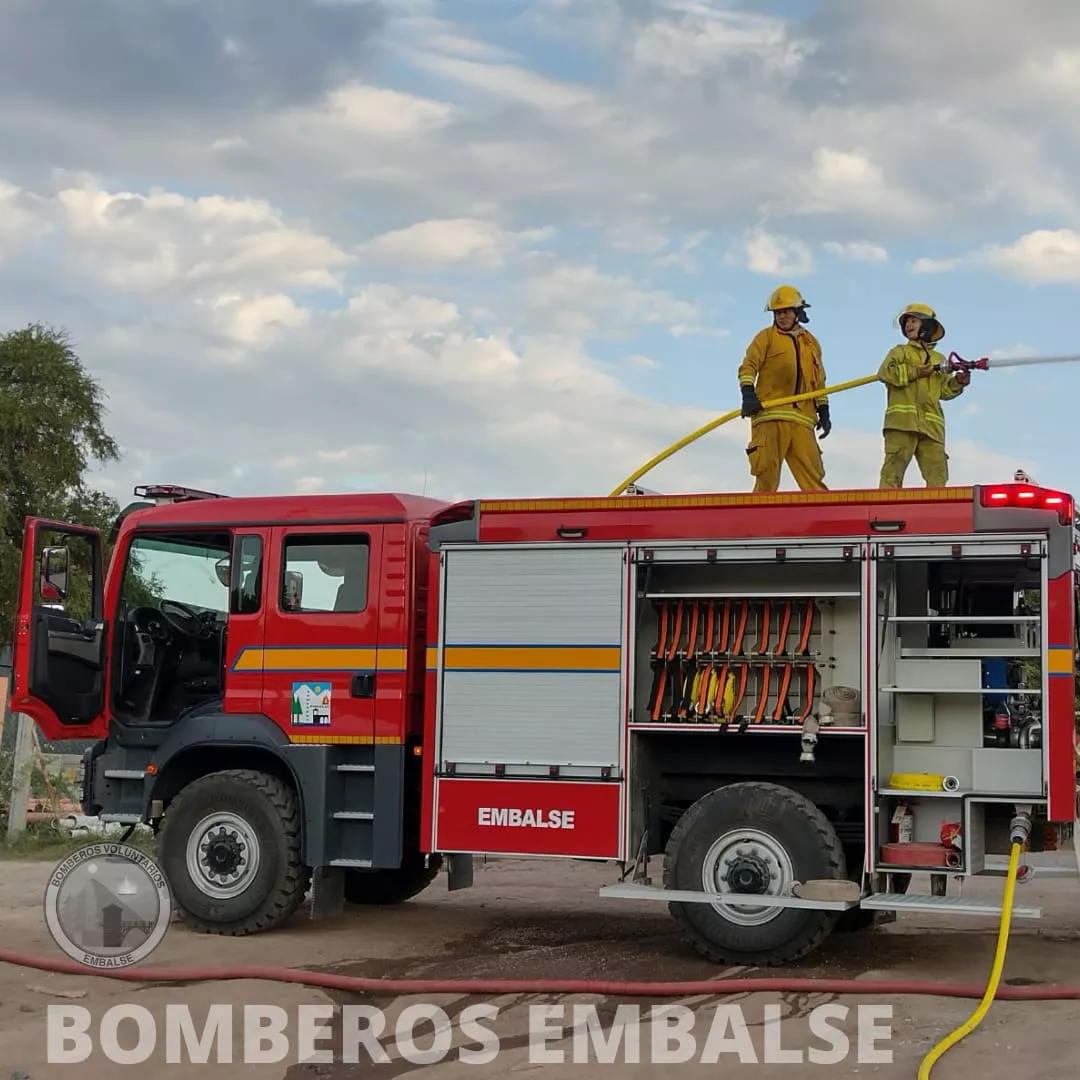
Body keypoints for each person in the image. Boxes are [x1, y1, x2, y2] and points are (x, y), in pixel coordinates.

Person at [738, 284, 831, 492]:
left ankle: (824, 521)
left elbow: (820, 381)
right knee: (766, 481)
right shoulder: (766, 337)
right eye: (778, 312)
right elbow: (748, 366)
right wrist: (748, 393)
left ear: (797, 313)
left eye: (786, 311)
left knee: (814, 483)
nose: (782, 316)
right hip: (770, 417)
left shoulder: (811, 343)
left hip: (802, 420)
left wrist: (823, 409)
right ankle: (759, 523)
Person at [877, 302, 970, 488]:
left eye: (913, 321)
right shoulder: (899, 352)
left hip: (932, 429)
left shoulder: (939, 360)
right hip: (902, 425)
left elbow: (944, 390)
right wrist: (915, 372)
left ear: (927, 326)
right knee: (892, 474)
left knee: (938, 478)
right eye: (906, 322)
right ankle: (885, 512)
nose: (908, 326)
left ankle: (936, 515)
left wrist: (958, 382)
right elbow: (885, 373)